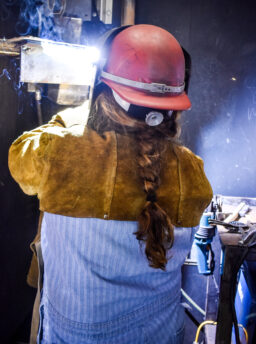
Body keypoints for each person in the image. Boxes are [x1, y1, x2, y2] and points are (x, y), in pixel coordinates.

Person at [8, 24, 213, 344]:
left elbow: (19, 161)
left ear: (105, 87)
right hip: (160, 334)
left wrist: (77, 114)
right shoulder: (190, 168)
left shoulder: (61, 148)